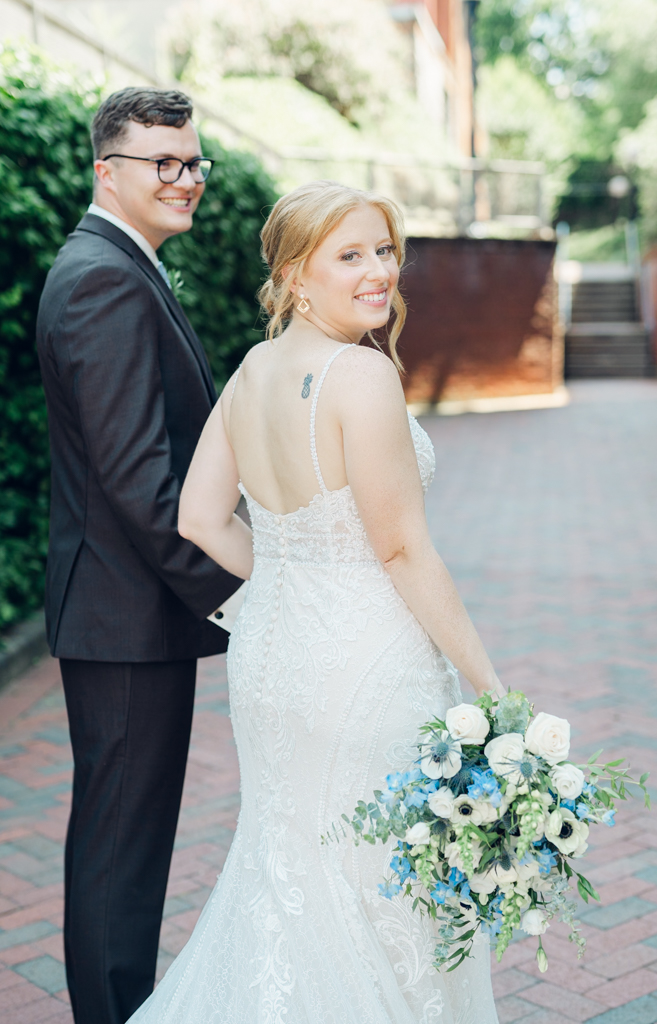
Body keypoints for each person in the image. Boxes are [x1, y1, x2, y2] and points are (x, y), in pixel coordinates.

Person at [128, 180, 504, 1023]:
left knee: (285, 867)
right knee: (376, 883)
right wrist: (490, 685)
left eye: (384, 250)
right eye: (351, 255)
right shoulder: (360, 377)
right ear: (296, 276)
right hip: (363, 663)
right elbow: (401, 549)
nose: (379, 272)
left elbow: (198, 518)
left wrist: (286, 584)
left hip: (272, 656)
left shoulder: (253, 370)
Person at [36, 87, 245, 1024]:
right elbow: (137, 482)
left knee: (128, 841)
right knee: (120, 847)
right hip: (126, 615)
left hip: (128, 611)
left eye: (193, 161)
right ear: (105, 173)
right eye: (163, 162)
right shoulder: (104, 278)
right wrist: (236, 590)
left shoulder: (121, 265)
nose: (186, 179)